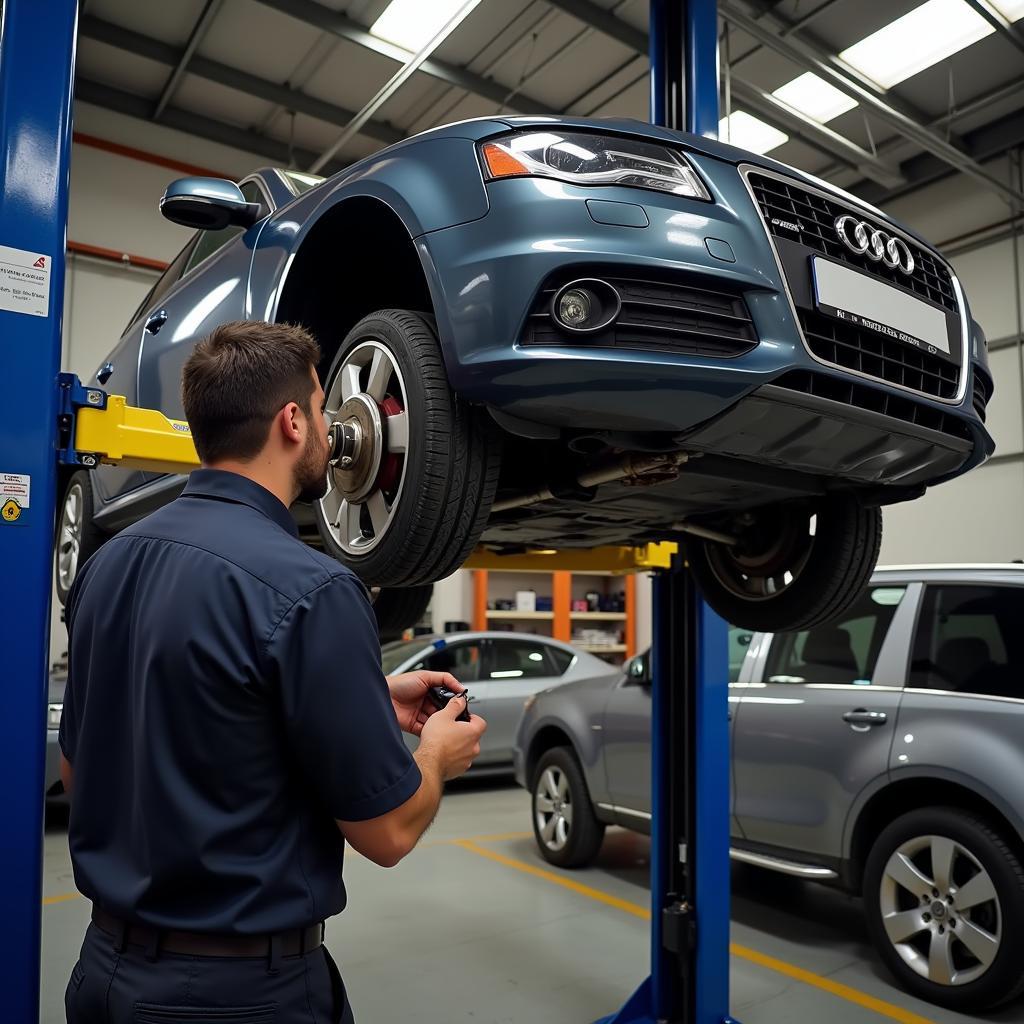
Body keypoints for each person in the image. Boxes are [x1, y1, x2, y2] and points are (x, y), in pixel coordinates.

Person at [58, 320, 486, 1023]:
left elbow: (88, 765)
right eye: (323, 410)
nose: (329, 427)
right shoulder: (311, 588)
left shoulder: (108, 566)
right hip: (237, 998)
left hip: (103, 976)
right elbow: (388, 832)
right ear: (292, 421)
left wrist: (361, 697)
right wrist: (438, 756)